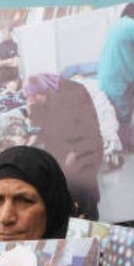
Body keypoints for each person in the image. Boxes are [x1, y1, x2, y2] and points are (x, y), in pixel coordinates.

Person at [23, 73, 103, 220]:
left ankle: (89, 213)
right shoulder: (39, 96)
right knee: (58, 181)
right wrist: (30, 139)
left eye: (33, 98)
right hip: (60, 142)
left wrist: (74, 153)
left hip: (86, 144)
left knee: (81, 182)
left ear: (42, 93)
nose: (31, 101)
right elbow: (37, 121)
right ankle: (69, 210)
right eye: (29, 98)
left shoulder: (75, 95)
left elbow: (90, 131)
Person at [97, 0, 134, 130]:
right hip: (119, 77)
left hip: (105, 74)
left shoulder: (120, 23)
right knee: (125, 112)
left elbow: (129, 44)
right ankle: (126, 144)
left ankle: (119, 139)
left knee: (114, 111)